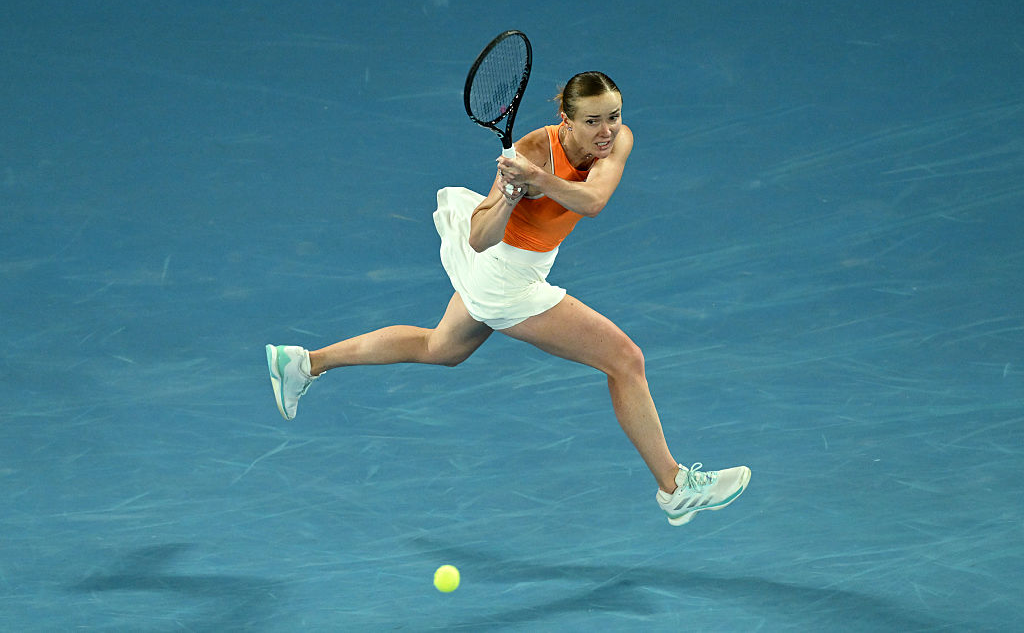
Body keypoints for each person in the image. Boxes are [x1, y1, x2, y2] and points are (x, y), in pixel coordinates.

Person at [266, 71, 750, 526]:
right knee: (625, 360)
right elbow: (479, 237)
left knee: (441, 348)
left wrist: (538, 181)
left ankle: (305, 363)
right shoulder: (534, 149)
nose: (606, 130)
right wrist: (511, 196)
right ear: (566, 119)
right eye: (592, 121)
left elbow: (594, 200)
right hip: (504, 276)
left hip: (521, 268)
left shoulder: (617, 141)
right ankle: (674, 486)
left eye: (613, 115)